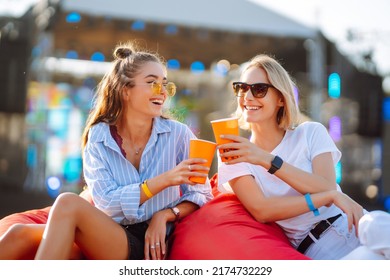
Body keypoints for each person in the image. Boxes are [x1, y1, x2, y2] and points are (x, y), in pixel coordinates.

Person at [0, 41, 213, 260]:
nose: (163, 92)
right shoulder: (99, 135)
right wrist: (165, 180)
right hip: (104, 231)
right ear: (125, 91)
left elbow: (201, 193)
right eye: (152, 83)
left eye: (165, 85)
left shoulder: (179, 134)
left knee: (67, 202)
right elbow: (107, 203)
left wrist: (165, 215)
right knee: (19, 234)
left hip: (147, 243)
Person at [216, 54, 390, 260]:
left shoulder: (310, 132)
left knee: (377, 225)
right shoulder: (232, 152)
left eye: (259, 89)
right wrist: (328, 197)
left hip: (354, 224)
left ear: (281, 98)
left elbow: (326, 185)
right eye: (242, 88)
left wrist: (266, 159)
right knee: (368, 260)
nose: (248, 96)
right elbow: (262, 210)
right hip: (320, 248)